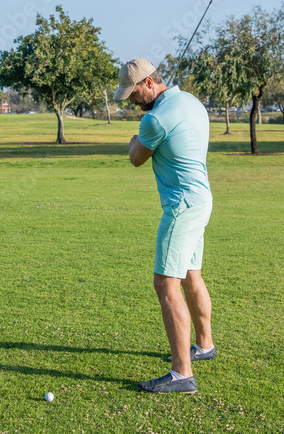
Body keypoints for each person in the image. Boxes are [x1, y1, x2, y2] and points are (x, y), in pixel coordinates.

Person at [114, 58, 216, 394]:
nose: (131, 101)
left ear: (147, 83)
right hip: (201, 200)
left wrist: (134, 137)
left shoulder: (155, 119)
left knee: (165, 283)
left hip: (181, 207)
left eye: (132, 94)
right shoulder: (190, 101)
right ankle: (204, 345)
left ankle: (182, 373)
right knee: (190, 275)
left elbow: (135, 158)